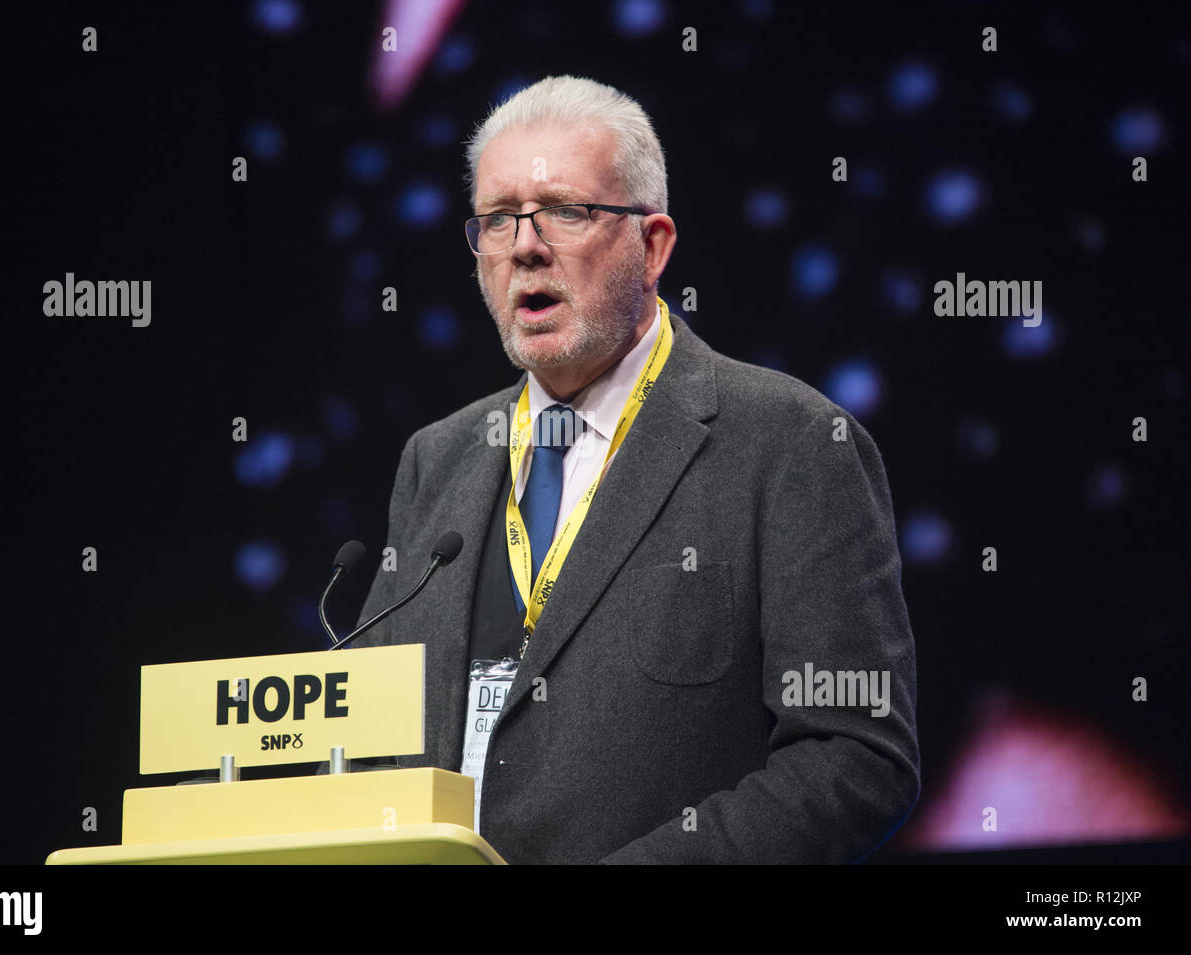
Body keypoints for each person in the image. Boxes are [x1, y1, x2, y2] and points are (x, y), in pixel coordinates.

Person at [347, 75, 920, 863]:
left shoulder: (790, 444)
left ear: (653, 247)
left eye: (566, 211)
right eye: (497, 219)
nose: (525, 245)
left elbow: (856, 760)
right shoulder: (435, 459)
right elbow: (370, 733)